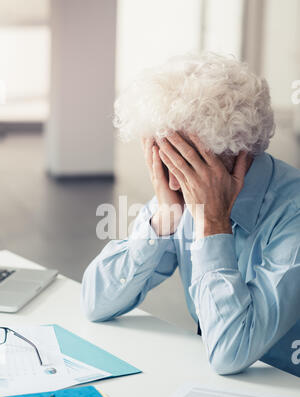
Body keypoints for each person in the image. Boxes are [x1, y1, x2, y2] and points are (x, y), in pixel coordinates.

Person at [81, 53, 300, 375]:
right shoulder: (179, 195)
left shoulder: (292, 213)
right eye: (162, 158)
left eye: (186, 164)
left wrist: (213, 225)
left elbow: (231, 353)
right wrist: (163, 219)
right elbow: (95, 303)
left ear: (238, 152)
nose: (170, 181)